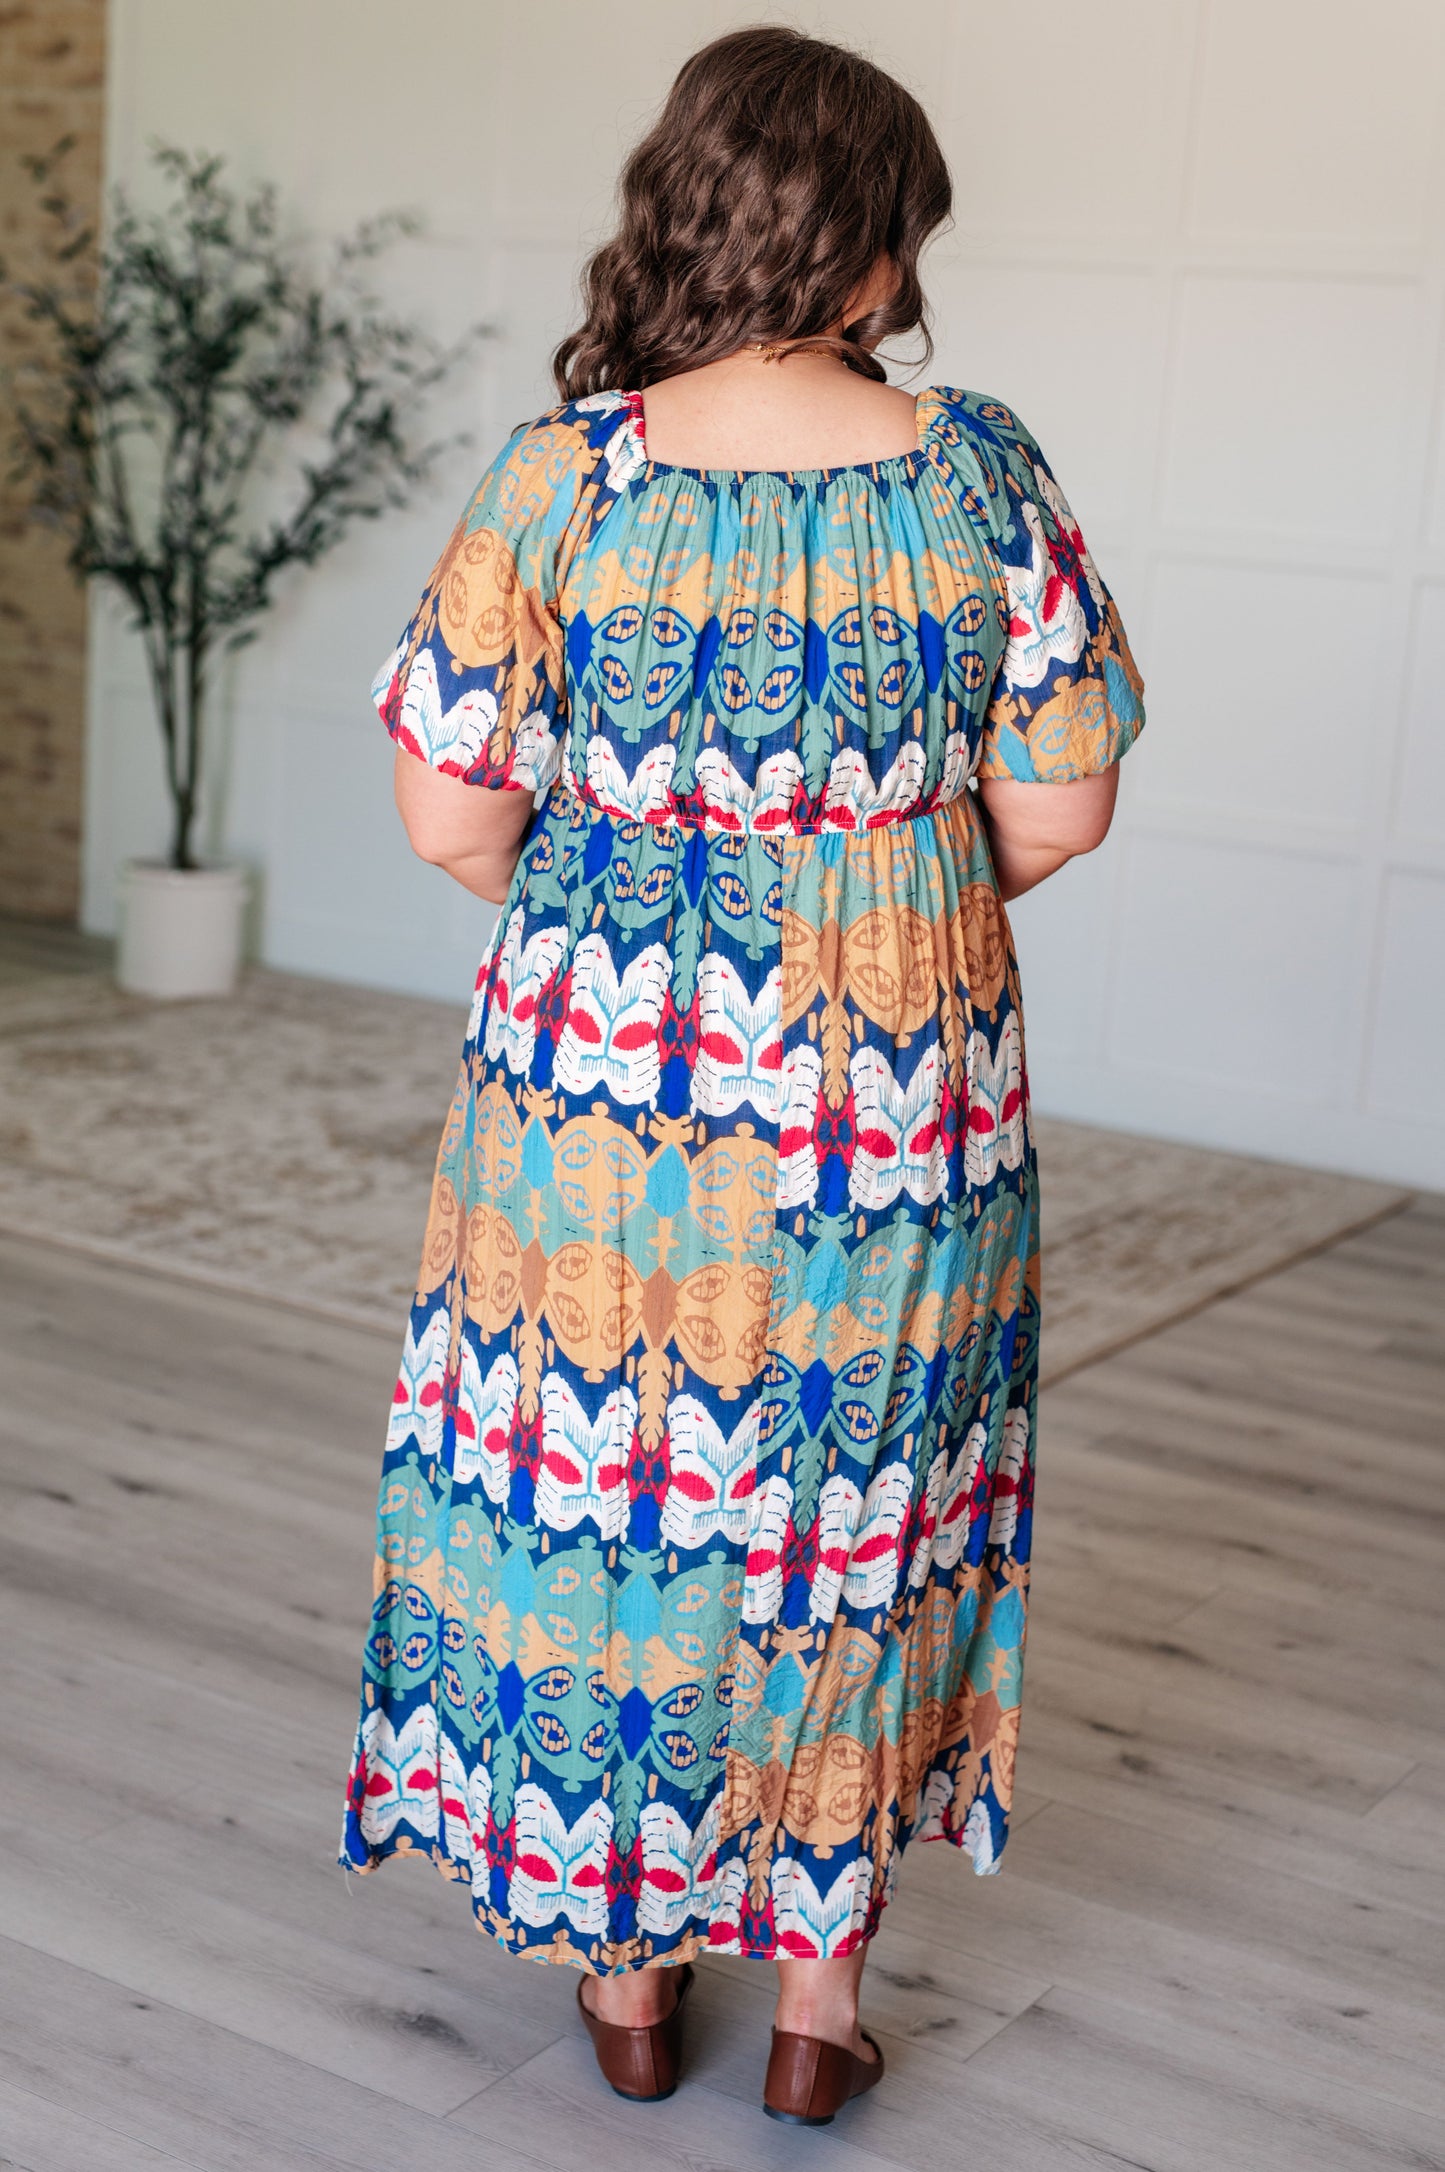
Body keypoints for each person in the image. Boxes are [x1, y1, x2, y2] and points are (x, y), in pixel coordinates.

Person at [340, 23, 1144, 2128]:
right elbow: (1061, 807)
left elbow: (446, 812)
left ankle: (625, 1985)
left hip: (604, 1079)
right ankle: (812, 2013)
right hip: (903, 1082)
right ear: (866, 246)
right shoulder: (974, 468)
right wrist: (880, 899)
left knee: (611, 1490)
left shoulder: (565, 475)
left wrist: (622, 890)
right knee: (857, 1502)